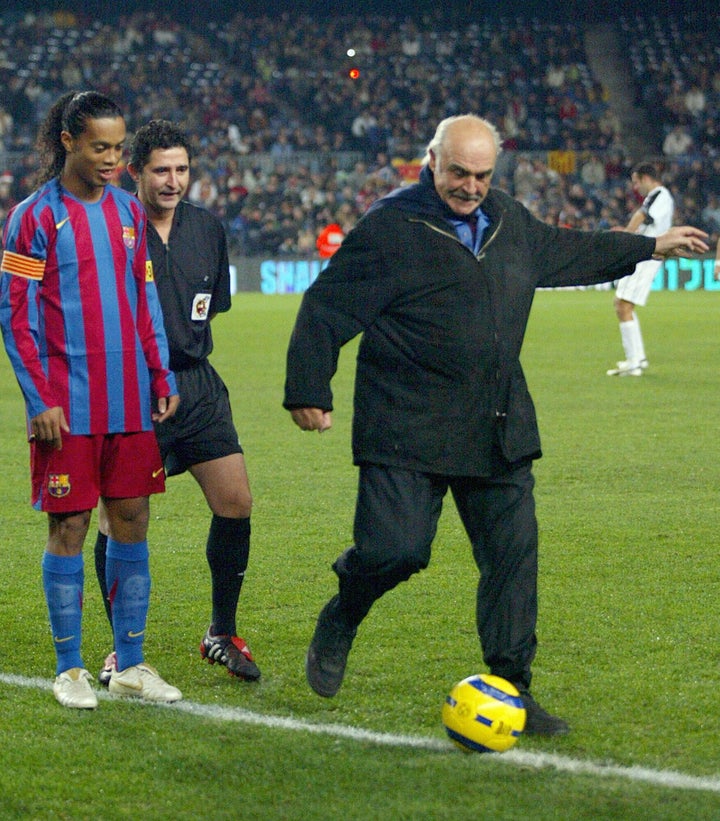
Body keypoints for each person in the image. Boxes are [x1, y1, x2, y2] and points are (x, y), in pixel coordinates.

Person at [283, 114, 708, 735]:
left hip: (496, 420)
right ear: (432, 160)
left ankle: (513, 689)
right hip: (408, 422)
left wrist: (646, 246)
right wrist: (308, 388)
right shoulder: (392, 226)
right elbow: (326, 306)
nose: (471, 186)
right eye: (459, 172)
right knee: (394, 551)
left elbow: (567, 251)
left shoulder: (508, 218)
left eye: (483, 174)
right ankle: (344, 610)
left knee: (513, 558)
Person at [0, 91, 182, 709]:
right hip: (66, 408)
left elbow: (145, 302)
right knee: (70, 525)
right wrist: (39, 397)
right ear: (68, 142)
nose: (112, 158)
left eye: (118, 147)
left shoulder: (129, 213)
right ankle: (70, 667)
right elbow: (14, 314)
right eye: (100, 146)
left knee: (132, 522)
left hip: (129, 400)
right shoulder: (32, 216)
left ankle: (129, 664)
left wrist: (162, 375)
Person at [93, 120, 260, 683]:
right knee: (123, 519)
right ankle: (122, 648)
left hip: (198, 386)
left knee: (236, 501)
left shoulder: (207, 228)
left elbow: (212, 308)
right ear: (134, 172)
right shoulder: (110, 227)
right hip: (133, 391)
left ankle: (220, 632)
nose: (173, 181)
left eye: (182, 169)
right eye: (161, 170)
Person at [606, 162, 674, 377]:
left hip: (646, 256)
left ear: (646, 178)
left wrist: (626, 236)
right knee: (623, 304)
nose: (635, 187)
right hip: (645, 254)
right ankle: (637, 358)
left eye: (636, 182)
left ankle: (634, 362)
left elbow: (642, 216)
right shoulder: (658, 197)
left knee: (623, 305)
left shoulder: (659, 195)